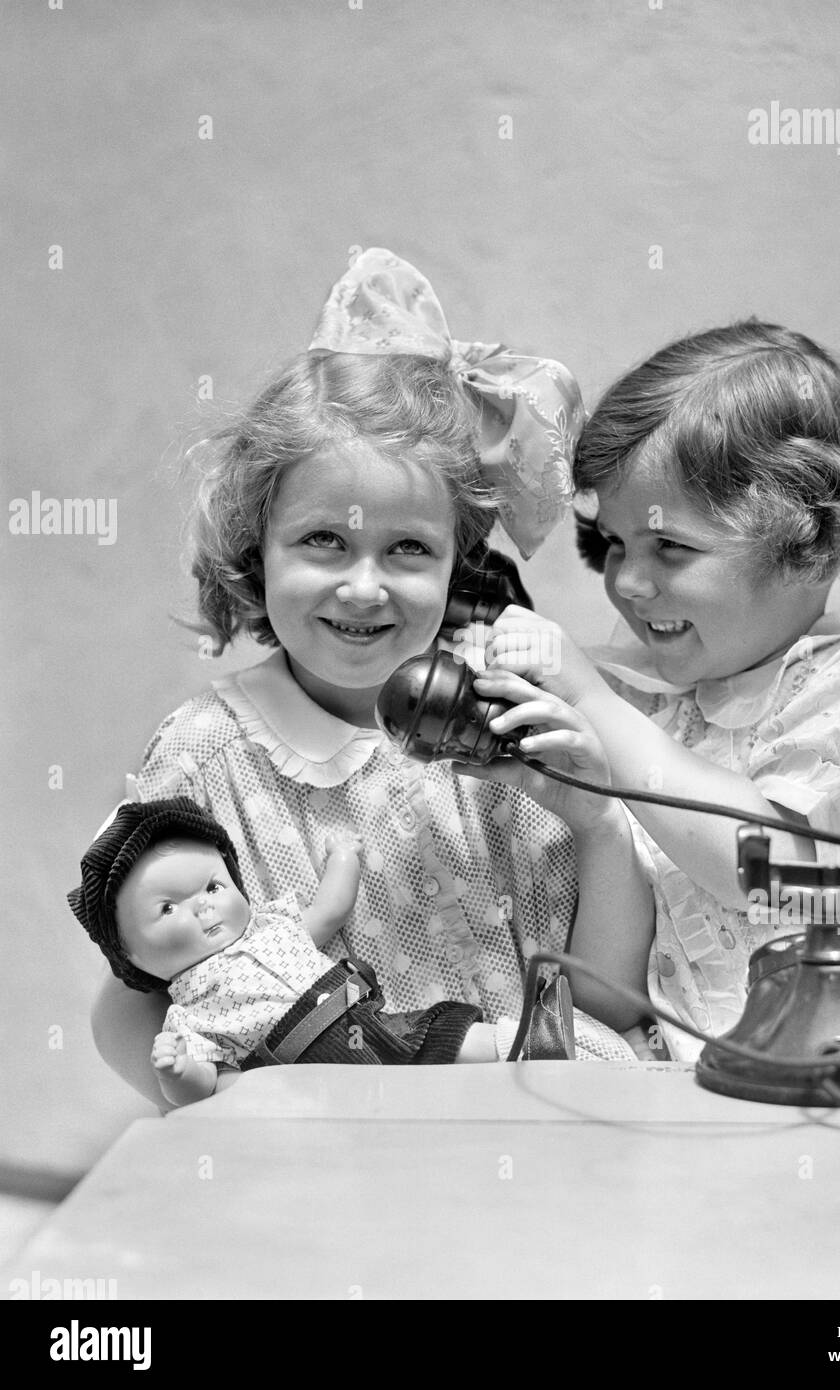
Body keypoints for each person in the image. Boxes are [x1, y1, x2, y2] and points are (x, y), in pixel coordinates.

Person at [90, 248, 650, 1106]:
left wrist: (597, 822)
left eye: (408, 549)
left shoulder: (510, 729)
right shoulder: (204, 761)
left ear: (459, 560)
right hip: (328, 1171)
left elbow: (604, 1007)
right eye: (323, 540)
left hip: (536, 1147)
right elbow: (131, 1017)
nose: (363, 585)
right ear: (256, 545)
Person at [476, 320, 840, 1063]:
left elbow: (758, 870)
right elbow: (606, 977)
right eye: (615, 545)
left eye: (671, 546)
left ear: (807, 545)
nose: (627, 582)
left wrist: (593, 706)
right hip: (719, 1062)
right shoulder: (639, 701)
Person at [71, 798, 539, 1108]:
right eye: (169, 907)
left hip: (362, 1021)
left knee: (436, 1035)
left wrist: (344, 858)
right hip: (306, 1075)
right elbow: (202, 1091)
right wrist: (178, 1072)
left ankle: (532, 1043)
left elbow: (330, 910)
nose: (204, 906)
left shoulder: (272, 927)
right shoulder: (189, 1015)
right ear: (129, 957)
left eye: (213, 886)